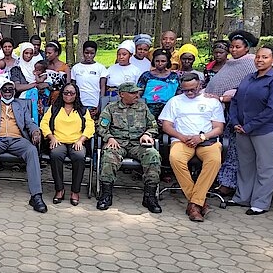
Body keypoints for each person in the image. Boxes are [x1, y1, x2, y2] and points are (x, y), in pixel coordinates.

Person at [228, 46, 273, 215]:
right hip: (242, 129)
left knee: (265, 167)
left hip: (264, 131)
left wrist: (249, 126)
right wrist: (235, 122)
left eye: (265, 57)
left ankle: (260, 203)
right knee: (245, 165)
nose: (260, 60)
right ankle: (242, 197)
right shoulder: (249, 77)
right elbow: (235, 101)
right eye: (258, 57)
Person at [159, 73, 225, 221]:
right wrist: (182, 137)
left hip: (206, 140)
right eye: (185, 90)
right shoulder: (174, 101)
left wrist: (201, 137)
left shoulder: (211, 102)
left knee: (214, 160)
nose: (189, 93)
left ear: (200, 85)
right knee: (175, 158)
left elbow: (218, 128)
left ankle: (194, 204)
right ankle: (199, 202)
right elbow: (166, 126)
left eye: (192, 89)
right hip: (182, 140)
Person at [203, 30, 259, 197]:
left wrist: (225, 97)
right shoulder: (231, 63)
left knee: (233, 148)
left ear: (246, 48)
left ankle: (228, 184)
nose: (233, 50)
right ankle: (218, 179)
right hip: (219, 110)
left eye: (238, 47)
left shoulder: (250, 64)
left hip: (236, 113)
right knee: (220, 146)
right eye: (232, 47)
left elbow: (246, 89)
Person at [0, 81, 46, 212]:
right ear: (0, 91)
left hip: (17, 140)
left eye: (11, 89)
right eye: (5, 89)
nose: (8, 91)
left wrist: (35, 131)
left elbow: (29, 122)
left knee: (32, 150)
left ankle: (36, 196)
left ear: (14, 91)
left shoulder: (21, 105)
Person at [96, 82, 162, 213]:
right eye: (132, 93)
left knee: (153, 155)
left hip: (138, 144)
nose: (137, 95)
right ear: (122, 94)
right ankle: (106, 195)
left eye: (137, 92)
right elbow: (101, 127)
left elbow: (153, 126)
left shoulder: (143, 108)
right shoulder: (111, 108)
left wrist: (148, 134)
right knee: (109, 156)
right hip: (117, 143)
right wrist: (109, 137)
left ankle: (150, 197)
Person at [41, 83, 95, 206]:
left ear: (76, 95)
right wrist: (51, 137)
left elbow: (90, 126)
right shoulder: (54, 108)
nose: (68, 95)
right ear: (62, 94)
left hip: (76, 141)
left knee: (79, 156)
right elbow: (44, 123)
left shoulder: (83, 110)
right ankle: (59, 190)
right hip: (58, 140)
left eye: (71, 93)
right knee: (55, 154)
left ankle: (75, 191)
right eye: (66, 92)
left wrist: (81, 140)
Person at [10, 43, 48, 124]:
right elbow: (17, 87)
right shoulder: (16, 69)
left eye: (31, 53)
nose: (29, 56)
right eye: (26, 53)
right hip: (22, 99)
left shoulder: (36, 68)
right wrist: (34, 85)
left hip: (38, 99)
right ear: (22, 53)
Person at [136, 48, 179, 120]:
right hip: (148, 110)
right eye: (157, 61)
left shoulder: (174, 76)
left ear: (168, 62)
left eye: (163, 61)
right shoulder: (146, 76)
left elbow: (178, 93)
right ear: (153, 61)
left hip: (169, 110)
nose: (160, 63)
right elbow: (138, 92)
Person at [100, 39, 142, 107]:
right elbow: (105, 85)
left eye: (124, 54)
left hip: (127, 100)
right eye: (119, 54)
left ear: (130, 55)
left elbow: (138, 88)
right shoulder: (111, 68)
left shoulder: (135, 70)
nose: (121, 57)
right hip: (111, 97)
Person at [70, 40, 107, 117]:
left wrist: (100, 105)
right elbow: (73, 87)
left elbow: (102, 87)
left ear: (95, 53)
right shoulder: (76, 68)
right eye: (86, 53)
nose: (89, 55)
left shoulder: (100, 68)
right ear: (83, 52)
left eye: (92, 53)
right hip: (79, 104)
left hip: (94, 103)